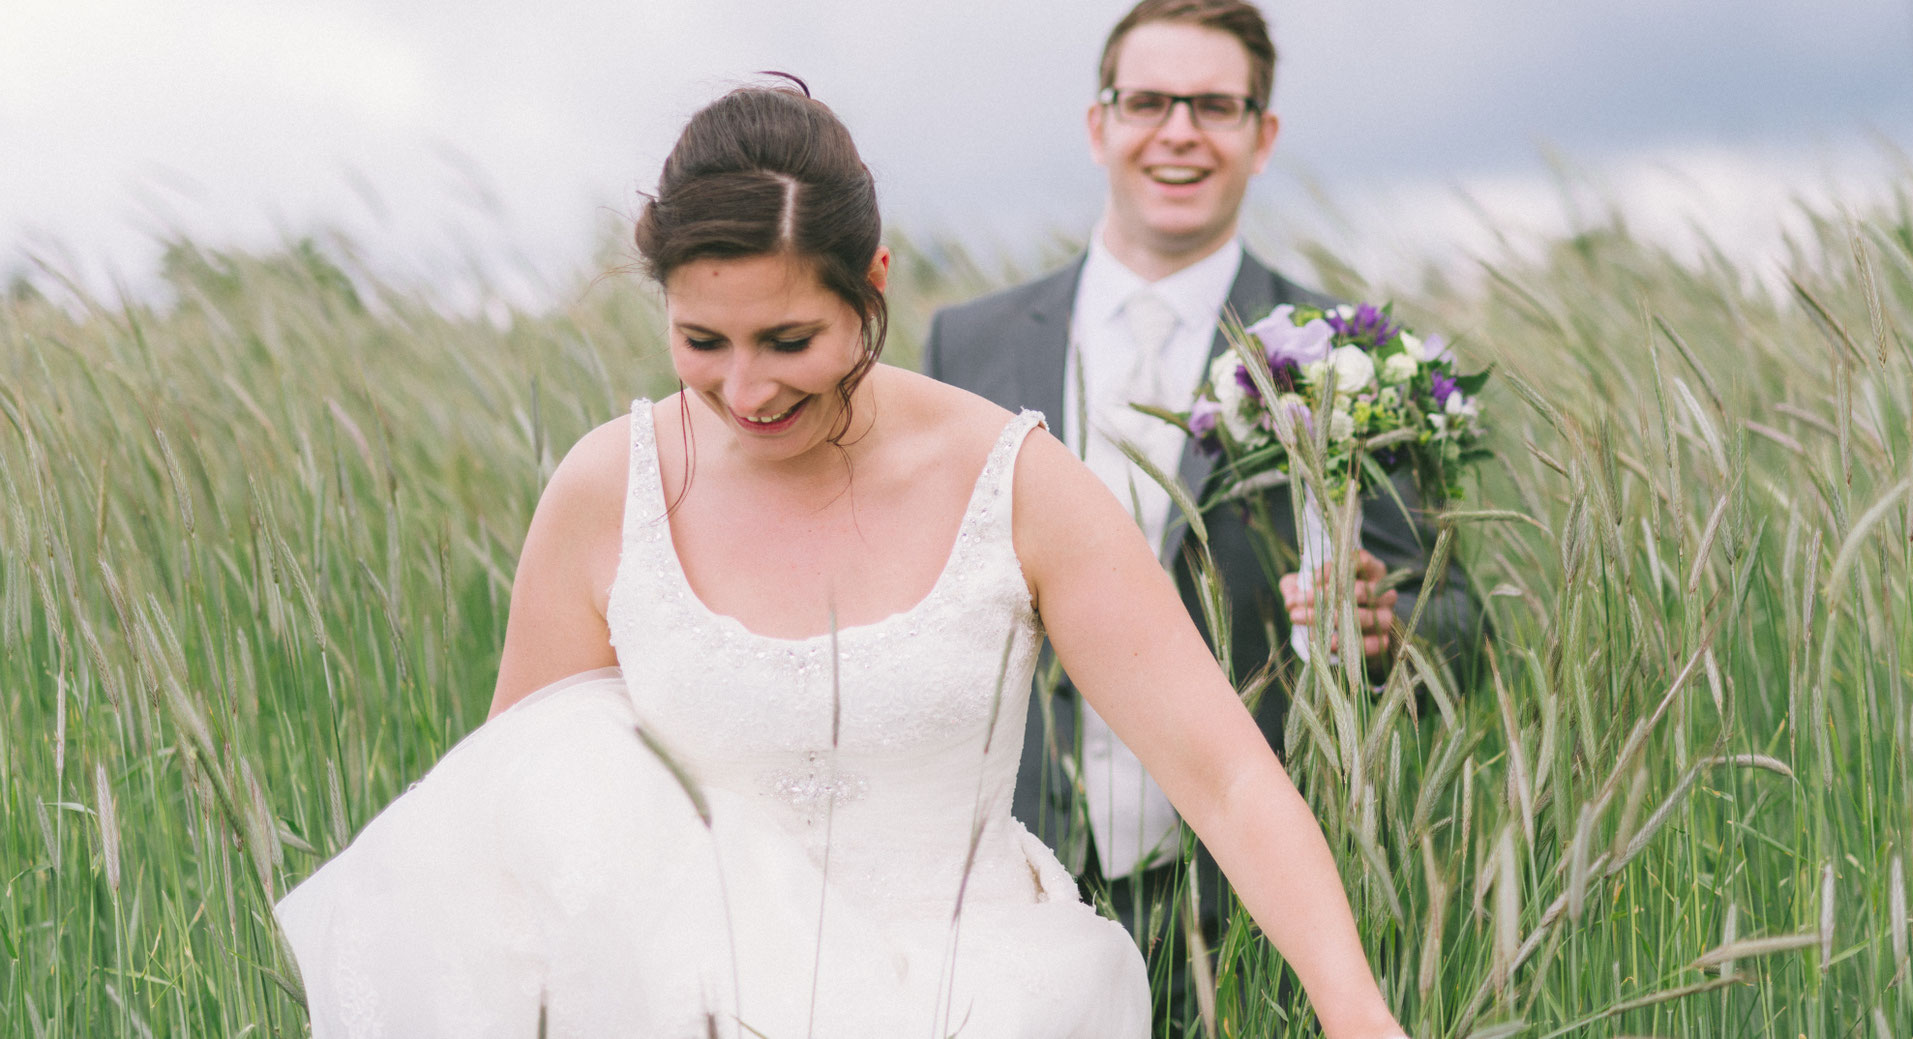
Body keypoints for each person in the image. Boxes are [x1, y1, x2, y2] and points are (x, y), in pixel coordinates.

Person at [275, 78, 1408, 1038]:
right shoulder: (605, 489)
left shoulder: (1016, 485)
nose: (745, 388)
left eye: (790, 339)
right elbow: (511, 822)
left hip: (970, 1003)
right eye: (701, 341)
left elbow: (1225, 776)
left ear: (872, 283)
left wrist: (1356, 1013)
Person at [924, 0, 1482, 1031]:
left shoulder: (1351, 352)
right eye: (1147, 102)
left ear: (1261, 137)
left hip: (1244, 911)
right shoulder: (970, 345)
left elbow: (1459, 620)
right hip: (1014, 885)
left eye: (1214, 106)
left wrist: (1388, 627)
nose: (1177, 131)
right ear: (1098, 124)